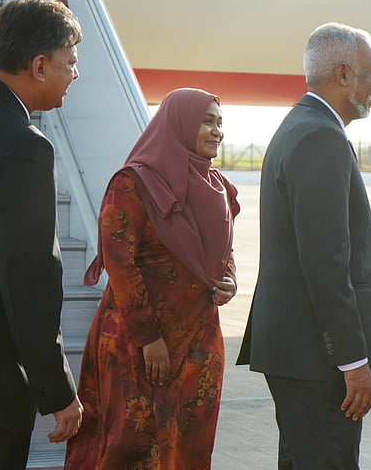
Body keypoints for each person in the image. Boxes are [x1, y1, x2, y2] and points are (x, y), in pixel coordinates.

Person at [237, 22, 371, 469]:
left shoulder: (302, 127)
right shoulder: (320, 137)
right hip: (318, 358)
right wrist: (352, 361)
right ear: (344, 75)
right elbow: (326, 260)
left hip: (300, 352)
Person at [64, 88, 240, 468]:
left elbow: (223, 250)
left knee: (188, 448)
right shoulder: (132, 184)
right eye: (207, 121)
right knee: (131, 445)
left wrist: (229, 278)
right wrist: (149, 337)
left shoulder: (218, 187)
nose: (216, 131)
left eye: (219, 122)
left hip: (198, 343)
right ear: (180, 124)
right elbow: (120, 263)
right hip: (138, 342)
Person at [0, 0, 84, 468]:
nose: (75, 74)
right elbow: (29, 284)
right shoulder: (23, 147)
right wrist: (58, 392)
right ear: (39, 65)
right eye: (70, 62)